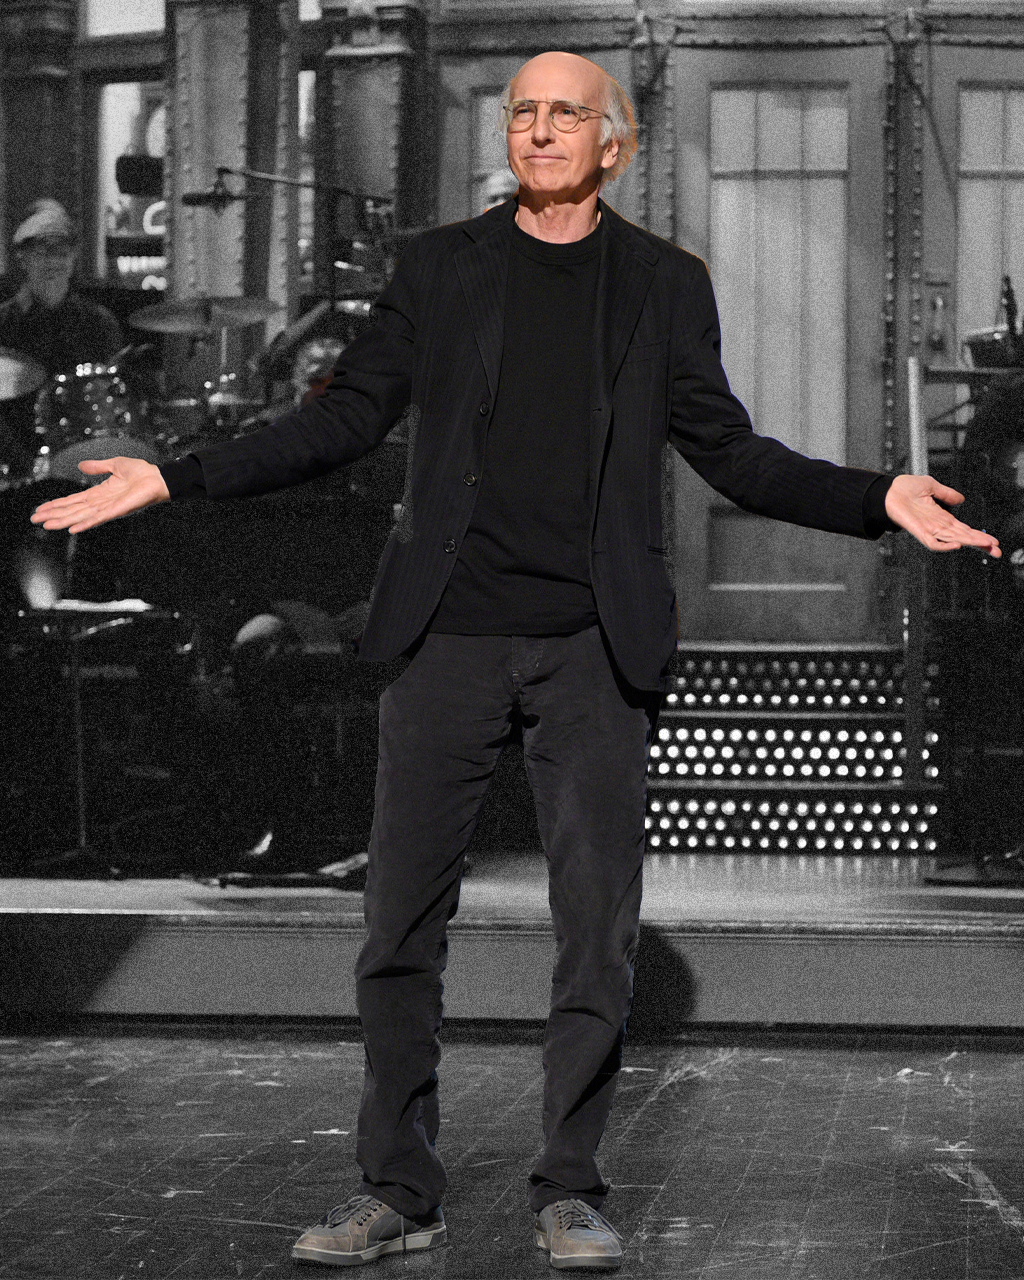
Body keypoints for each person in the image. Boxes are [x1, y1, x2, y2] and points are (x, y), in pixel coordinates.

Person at [32, 51, 1000, 1272]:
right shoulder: (438, 270)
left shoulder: (662, 283)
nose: (539, 130)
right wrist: (177, 473)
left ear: (614, 144)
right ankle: (396, 1187)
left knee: (595, 927)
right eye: (524, 112)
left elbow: (729, 450)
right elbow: (342, 419)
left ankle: (571, 1186)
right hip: (443, 635)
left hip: (593, 643)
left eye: (566, 114)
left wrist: (872, 496)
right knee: (398, 922)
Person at [0, 199, 122, 477]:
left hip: (85, 464)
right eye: (42, 252)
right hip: (13, 468)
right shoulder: (3, 324)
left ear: (73, 257)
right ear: (22, 258)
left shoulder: (99, 323)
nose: (54, 261)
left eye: (62, 251)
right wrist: (26, 463)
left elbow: (111, 401)